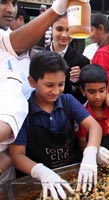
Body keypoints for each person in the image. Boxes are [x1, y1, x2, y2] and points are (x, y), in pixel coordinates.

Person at [9, 52, 102, 199]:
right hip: (38, 182)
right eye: (49, 85)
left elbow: (95, 127)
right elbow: (17, 155)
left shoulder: (68, 101)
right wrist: (40, 171)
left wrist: (90, 153)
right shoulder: (23, 111)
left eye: (61, 84)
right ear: (32, 82)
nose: (56, 91)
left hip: (71, 174)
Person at [0, 0, 74, 183]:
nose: (9, 9)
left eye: (13, 3)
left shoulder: (66, 101)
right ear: (33, 82)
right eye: (2, 2)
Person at [46, 14, 90, 104]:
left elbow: (83, 99)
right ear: (51, 27)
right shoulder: (38, 54)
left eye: (69, 30)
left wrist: (75, 84)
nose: (64, 35)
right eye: (59, 29)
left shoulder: (82, 61)